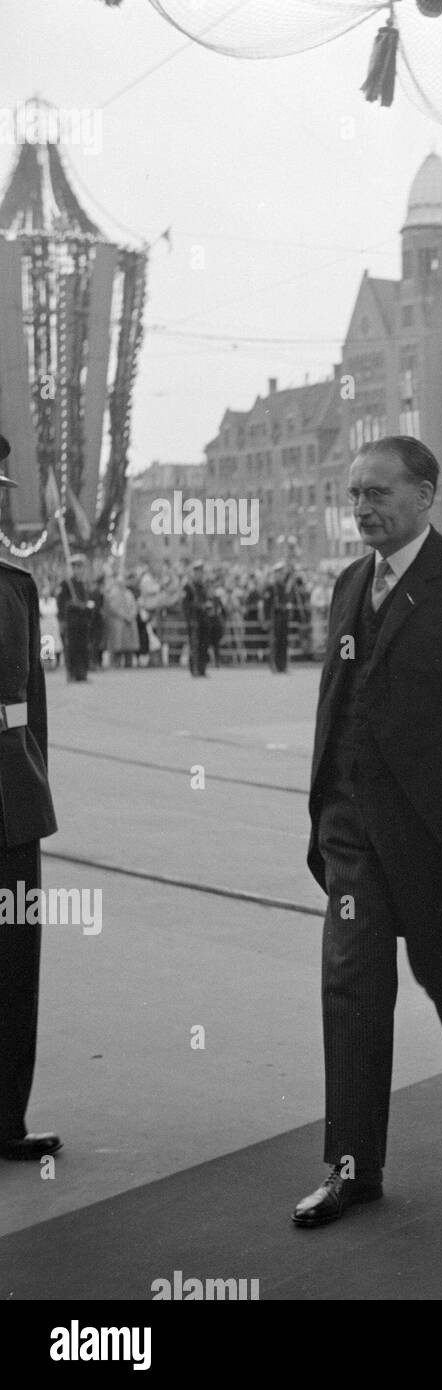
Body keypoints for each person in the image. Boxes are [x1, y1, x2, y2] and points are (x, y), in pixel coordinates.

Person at [296, 435, 442, 1229]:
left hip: (434, 827)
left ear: (426, 494)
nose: (363, 507)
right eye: (355, 494)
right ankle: (353, 1166)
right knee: (352, 985)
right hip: (351, 826)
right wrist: (326, 801)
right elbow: (339, 699)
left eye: (378, 493)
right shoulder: (347, 585)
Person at [0, 442, 61, 1162]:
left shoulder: (14, 579)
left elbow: (33, 705)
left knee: (14, 965)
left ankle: (5, 1119)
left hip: (10, 793)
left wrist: (33, 779)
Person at [55, 554, 95, 683]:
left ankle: (82, 673)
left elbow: (87, 600)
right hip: (71, 621)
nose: (79, 570)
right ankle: (71, 673)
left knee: (83, 647)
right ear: (73, 568)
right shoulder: (66, 584)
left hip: (83, 621)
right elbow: (61, 603)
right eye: (76, 567)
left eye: (81, 567)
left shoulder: (83, 584)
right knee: (72, 647)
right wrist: (72, 605)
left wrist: (86, 607)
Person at [263, 561, 297, 674]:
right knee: (275, 642)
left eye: (282, 573)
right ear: (275, 574)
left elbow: (286, 600)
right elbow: (266, 605)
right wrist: (267, 619)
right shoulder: (271, 587)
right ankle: (274, 666)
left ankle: (282, 666)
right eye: (279, 573)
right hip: (274, 617)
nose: (281, 575)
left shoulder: (283, 587)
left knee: (283, 642)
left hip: (283, 617)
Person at [182, 561, 211, 678]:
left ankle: (202, 669)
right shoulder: (188, 587)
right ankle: (194, 669)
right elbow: (185, 605)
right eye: (198, 572)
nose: (200, 575)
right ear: (194, 573)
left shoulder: (203, 586)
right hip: (194, 620)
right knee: (195, 645)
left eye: (201, 572)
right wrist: (200, 606)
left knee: (204, 645)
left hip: (204, 620)